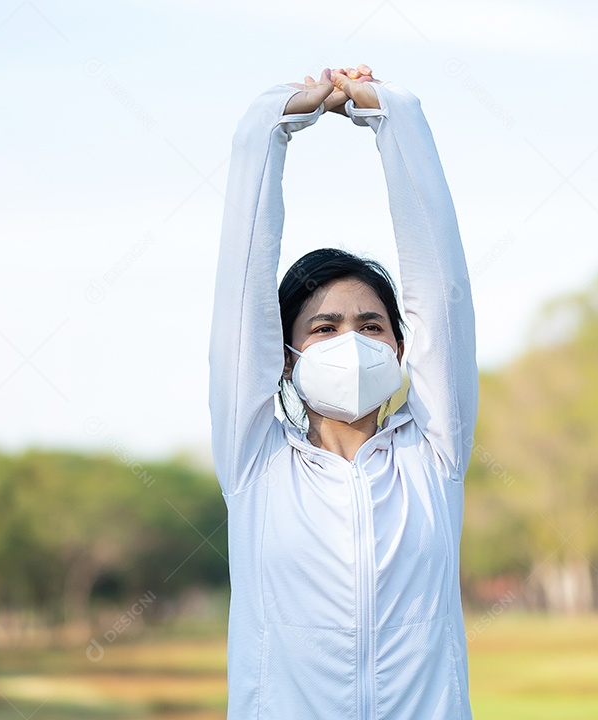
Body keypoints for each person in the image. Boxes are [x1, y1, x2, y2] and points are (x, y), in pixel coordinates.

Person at [209, 64, 478, 719]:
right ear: (284, 354)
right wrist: (267, 131)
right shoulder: (255, 465)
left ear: (400, 348)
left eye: (371, 325)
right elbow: (240, 292)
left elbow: (440, 293)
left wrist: (398, 120)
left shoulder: (435, 456)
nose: (350, 342)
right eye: (324, 327)